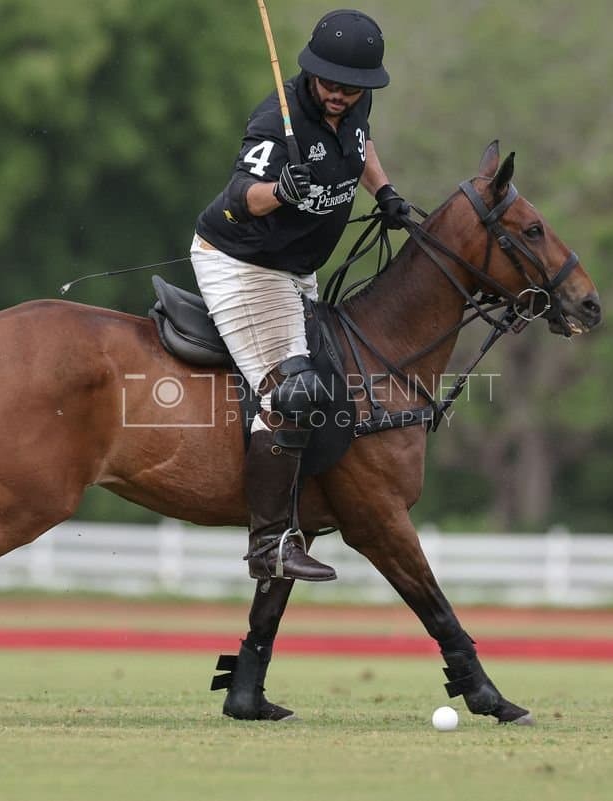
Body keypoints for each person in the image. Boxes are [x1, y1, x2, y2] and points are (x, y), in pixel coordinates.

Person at [190, 9, 410, 582]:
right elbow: (242, 193)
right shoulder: (276, 119)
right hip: (243, 263)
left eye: (352, 86)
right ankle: (269, 545)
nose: (340, 95)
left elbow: (362, 145)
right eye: (331, 83)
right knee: (294, 391)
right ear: (312, 72)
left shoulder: (356, 104)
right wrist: (279, 191)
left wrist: (383, 191)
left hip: (296, 269)